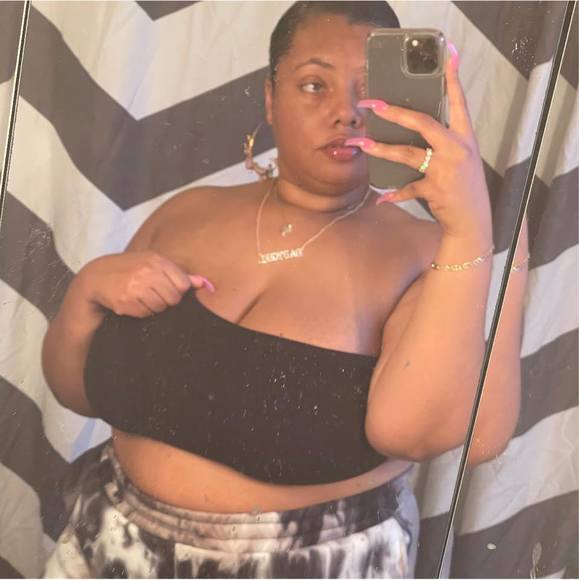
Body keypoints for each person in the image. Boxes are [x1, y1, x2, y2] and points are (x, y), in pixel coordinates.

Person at [41, 1, 528, 578]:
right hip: (101, 547)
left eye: (371, 90)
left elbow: (439, 436)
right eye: (315, 85)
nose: (346, 112)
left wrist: (472, 231)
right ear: (271, 99)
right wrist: (88, 291)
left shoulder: (436, 256)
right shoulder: (185, 213)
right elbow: (81, 392)